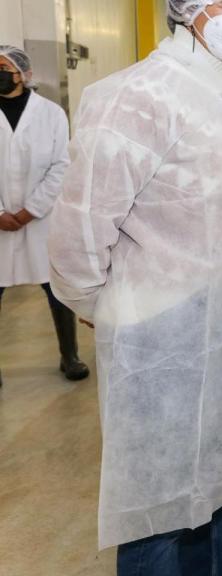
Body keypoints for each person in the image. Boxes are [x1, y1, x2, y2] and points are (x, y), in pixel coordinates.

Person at [47, 1, 222, 574]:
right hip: (161, 347)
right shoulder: (137, 96)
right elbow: (79, 233)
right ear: (191, 9)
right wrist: (113, 310)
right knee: (158, 516)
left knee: (216, 494)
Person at [0, 46, 88, 387]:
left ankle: (70, 355)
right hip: (1, 221)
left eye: (5, 67)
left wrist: (28, 211)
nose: (2, 73)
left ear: (23, 73)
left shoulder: (51, 114)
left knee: (56, 290)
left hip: (39, 220)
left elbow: (60, 166)